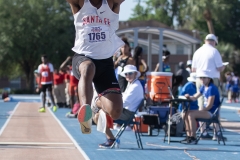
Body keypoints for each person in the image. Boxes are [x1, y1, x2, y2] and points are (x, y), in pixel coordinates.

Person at [66, 0, 125, 133]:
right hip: (83, 57)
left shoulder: (112, 3)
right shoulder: (80, 3)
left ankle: (96, 103)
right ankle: (85, 113)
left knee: (115, 112)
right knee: (88, 67)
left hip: (105, 63)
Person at [94, 65, 144, 148]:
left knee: (98, 116)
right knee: (98, 114)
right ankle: (111, 139)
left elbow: (123, 102)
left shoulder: (135, 86)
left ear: (135, 74)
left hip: (127, 113)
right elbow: (123, 97)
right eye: (126, 74)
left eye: (130, 73)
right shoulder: (132, 84)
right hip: (126, 111)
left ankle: (111, 139)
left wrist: (107, 104)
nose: (128, 76)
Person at [181, 70, 223, 144]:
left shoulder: (211, 88)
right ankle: (189, 136)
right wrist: (188, 97)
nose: (202, 80)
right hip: (206, 111)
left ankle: (193, 137)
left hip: (211, 113)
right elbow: (195, 97)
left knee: (191, 114)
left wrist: (200, 111)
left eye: (204, 78)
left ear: (209, 79)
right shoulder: (204, 87)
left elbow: (210, 105)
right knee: (185, 113)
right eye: (201, 78)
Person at [192, 34, 225, 109]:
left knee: (200, 100)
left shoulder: (197, 51)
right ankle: (212, 118)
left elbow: (193, 69)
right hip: (212, 79)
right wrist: (224, 66)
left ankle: (200, 117)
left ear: (205, 41)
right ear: (214, 42)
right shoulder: (214, 51)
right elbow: (219, 68)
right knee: (213, 101)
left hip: (199, 79)